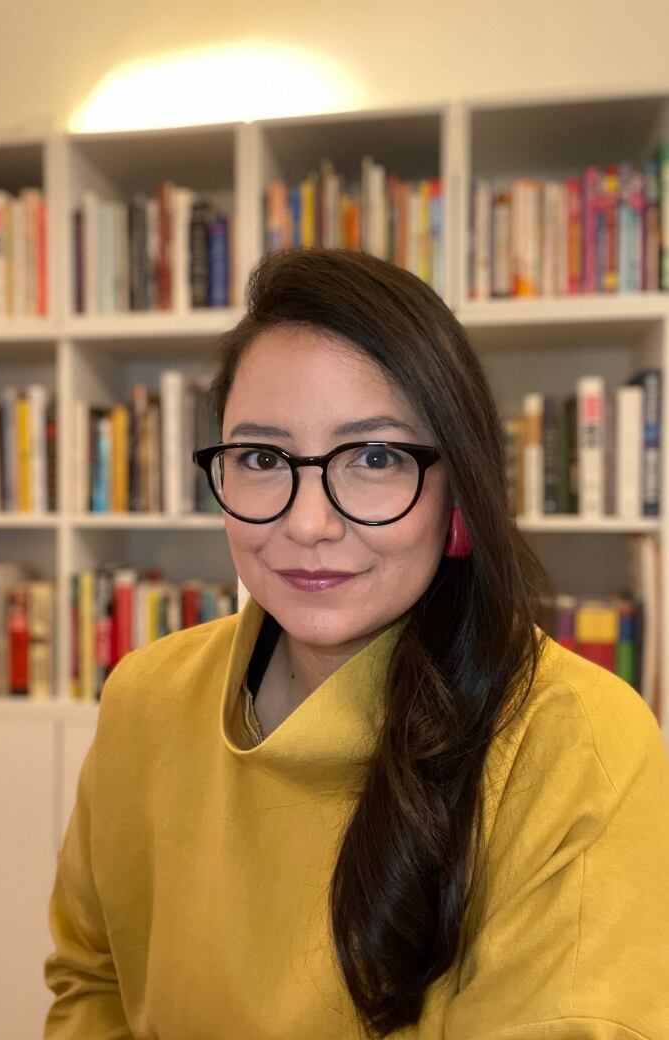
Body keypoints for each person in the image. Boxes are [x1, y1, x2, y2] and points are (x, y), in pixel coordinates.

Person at [44, 248, 669, 1039]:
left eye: (375, 457)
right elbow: (92, 980)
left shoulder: (574, 741)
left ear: (458, 495)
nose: (308, 523)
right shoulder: (146, 695)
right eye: (264, 458)